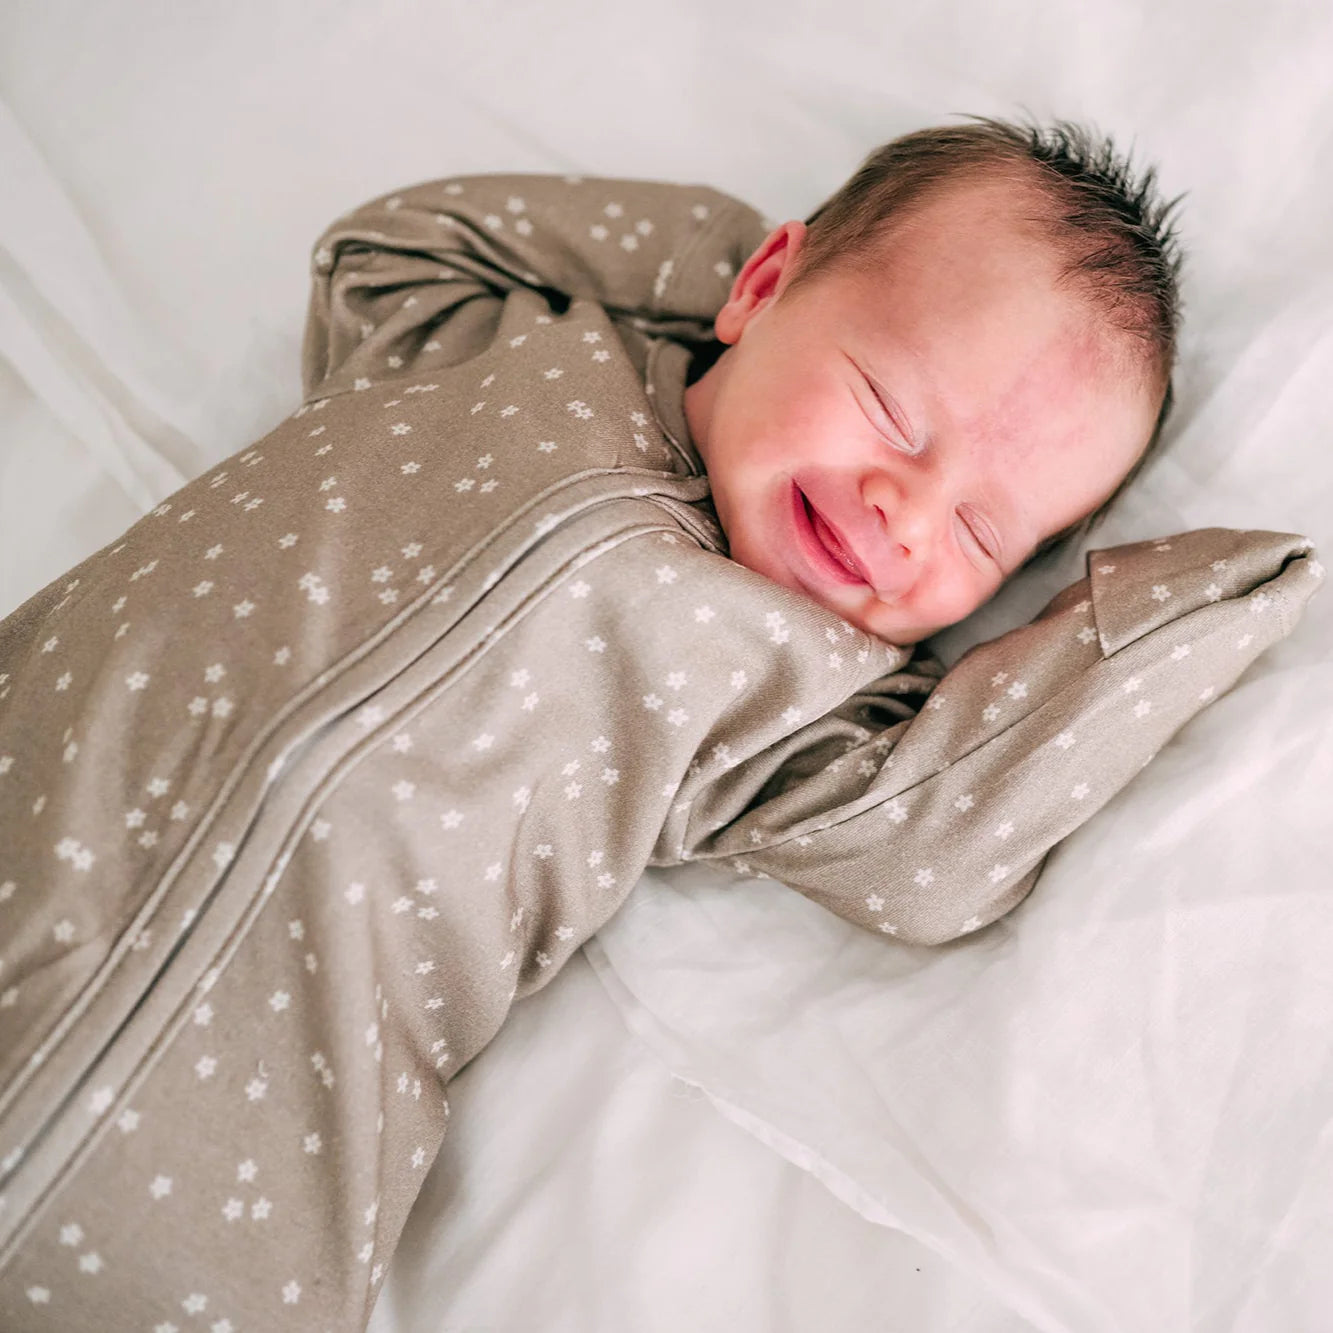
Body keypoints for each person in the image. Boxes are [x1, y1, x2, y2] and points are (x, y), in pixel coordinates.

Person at [0, 118, 1319, 1330]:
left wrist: (1178, 612)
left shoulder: (795, 689)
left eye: (983, 532)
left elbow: (934, 845)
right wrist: (742, 271)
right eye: (889, 406)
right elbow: (393, 240)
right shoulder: (484, 339)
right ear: (761, 287)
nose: (907, 511)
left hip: (211, 1183)